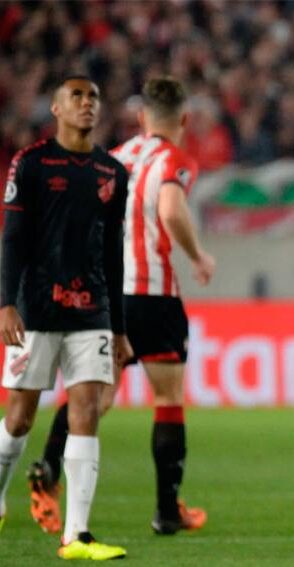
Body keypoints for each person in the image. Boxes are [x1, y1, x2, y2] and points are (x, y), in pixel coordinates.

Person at [28, 77, 215, 535]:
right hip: (154, 293)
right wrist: (197, 255)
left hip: (106, 292)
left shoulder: (116, 156)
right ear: (184, 120)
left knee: (97, 395)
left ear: (141, 117)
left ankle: (47, 473)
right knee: (168, 397)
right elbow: (171, 210)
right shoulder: (175, 158)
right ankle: (167, 511)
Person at [0, 76, 130, 560]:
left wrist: (118, 327)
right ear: (56, 107)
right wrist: (6, 303)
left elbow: (114, 254)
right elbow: (12, 238)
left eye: (93, 96)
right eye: (76, 96)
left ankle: (76, 536)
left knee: (87, 411)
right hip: (35, 309)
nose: (86, 103)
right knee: (19, 418)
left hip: (91, 311)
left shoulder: (111, 171)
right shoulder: (32, 164)